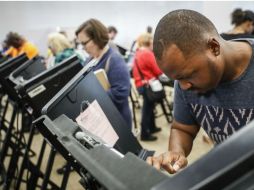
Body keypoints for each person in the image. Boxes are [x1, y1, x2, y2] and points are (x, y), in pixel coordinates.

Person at [147, 9, 254, 174]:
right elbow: (183, 128)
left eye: (187, 75)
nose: (183, 86)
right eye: (177, 79)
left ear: (213, 47)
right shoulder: (185, 81)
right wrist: (177, 151)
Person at [76, 18, 132, 130]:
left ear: (96, 38)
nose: (83, 48)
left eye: (84, 43)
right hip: (101, 120)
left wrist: (92, 98)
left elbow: (121, 93)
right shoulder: (90, 59)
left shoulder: (114, 60)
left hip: (117, 122)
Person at [132, 33, 162, 141]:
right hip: (147, 85)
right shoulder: (147, 54)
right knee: (147, 110)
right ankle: (144, 134)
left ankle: (152, 127)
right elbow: (158, 70)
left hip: (141, 84)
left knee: (150, 107)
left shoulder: (138, 52)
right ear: (148, 42)